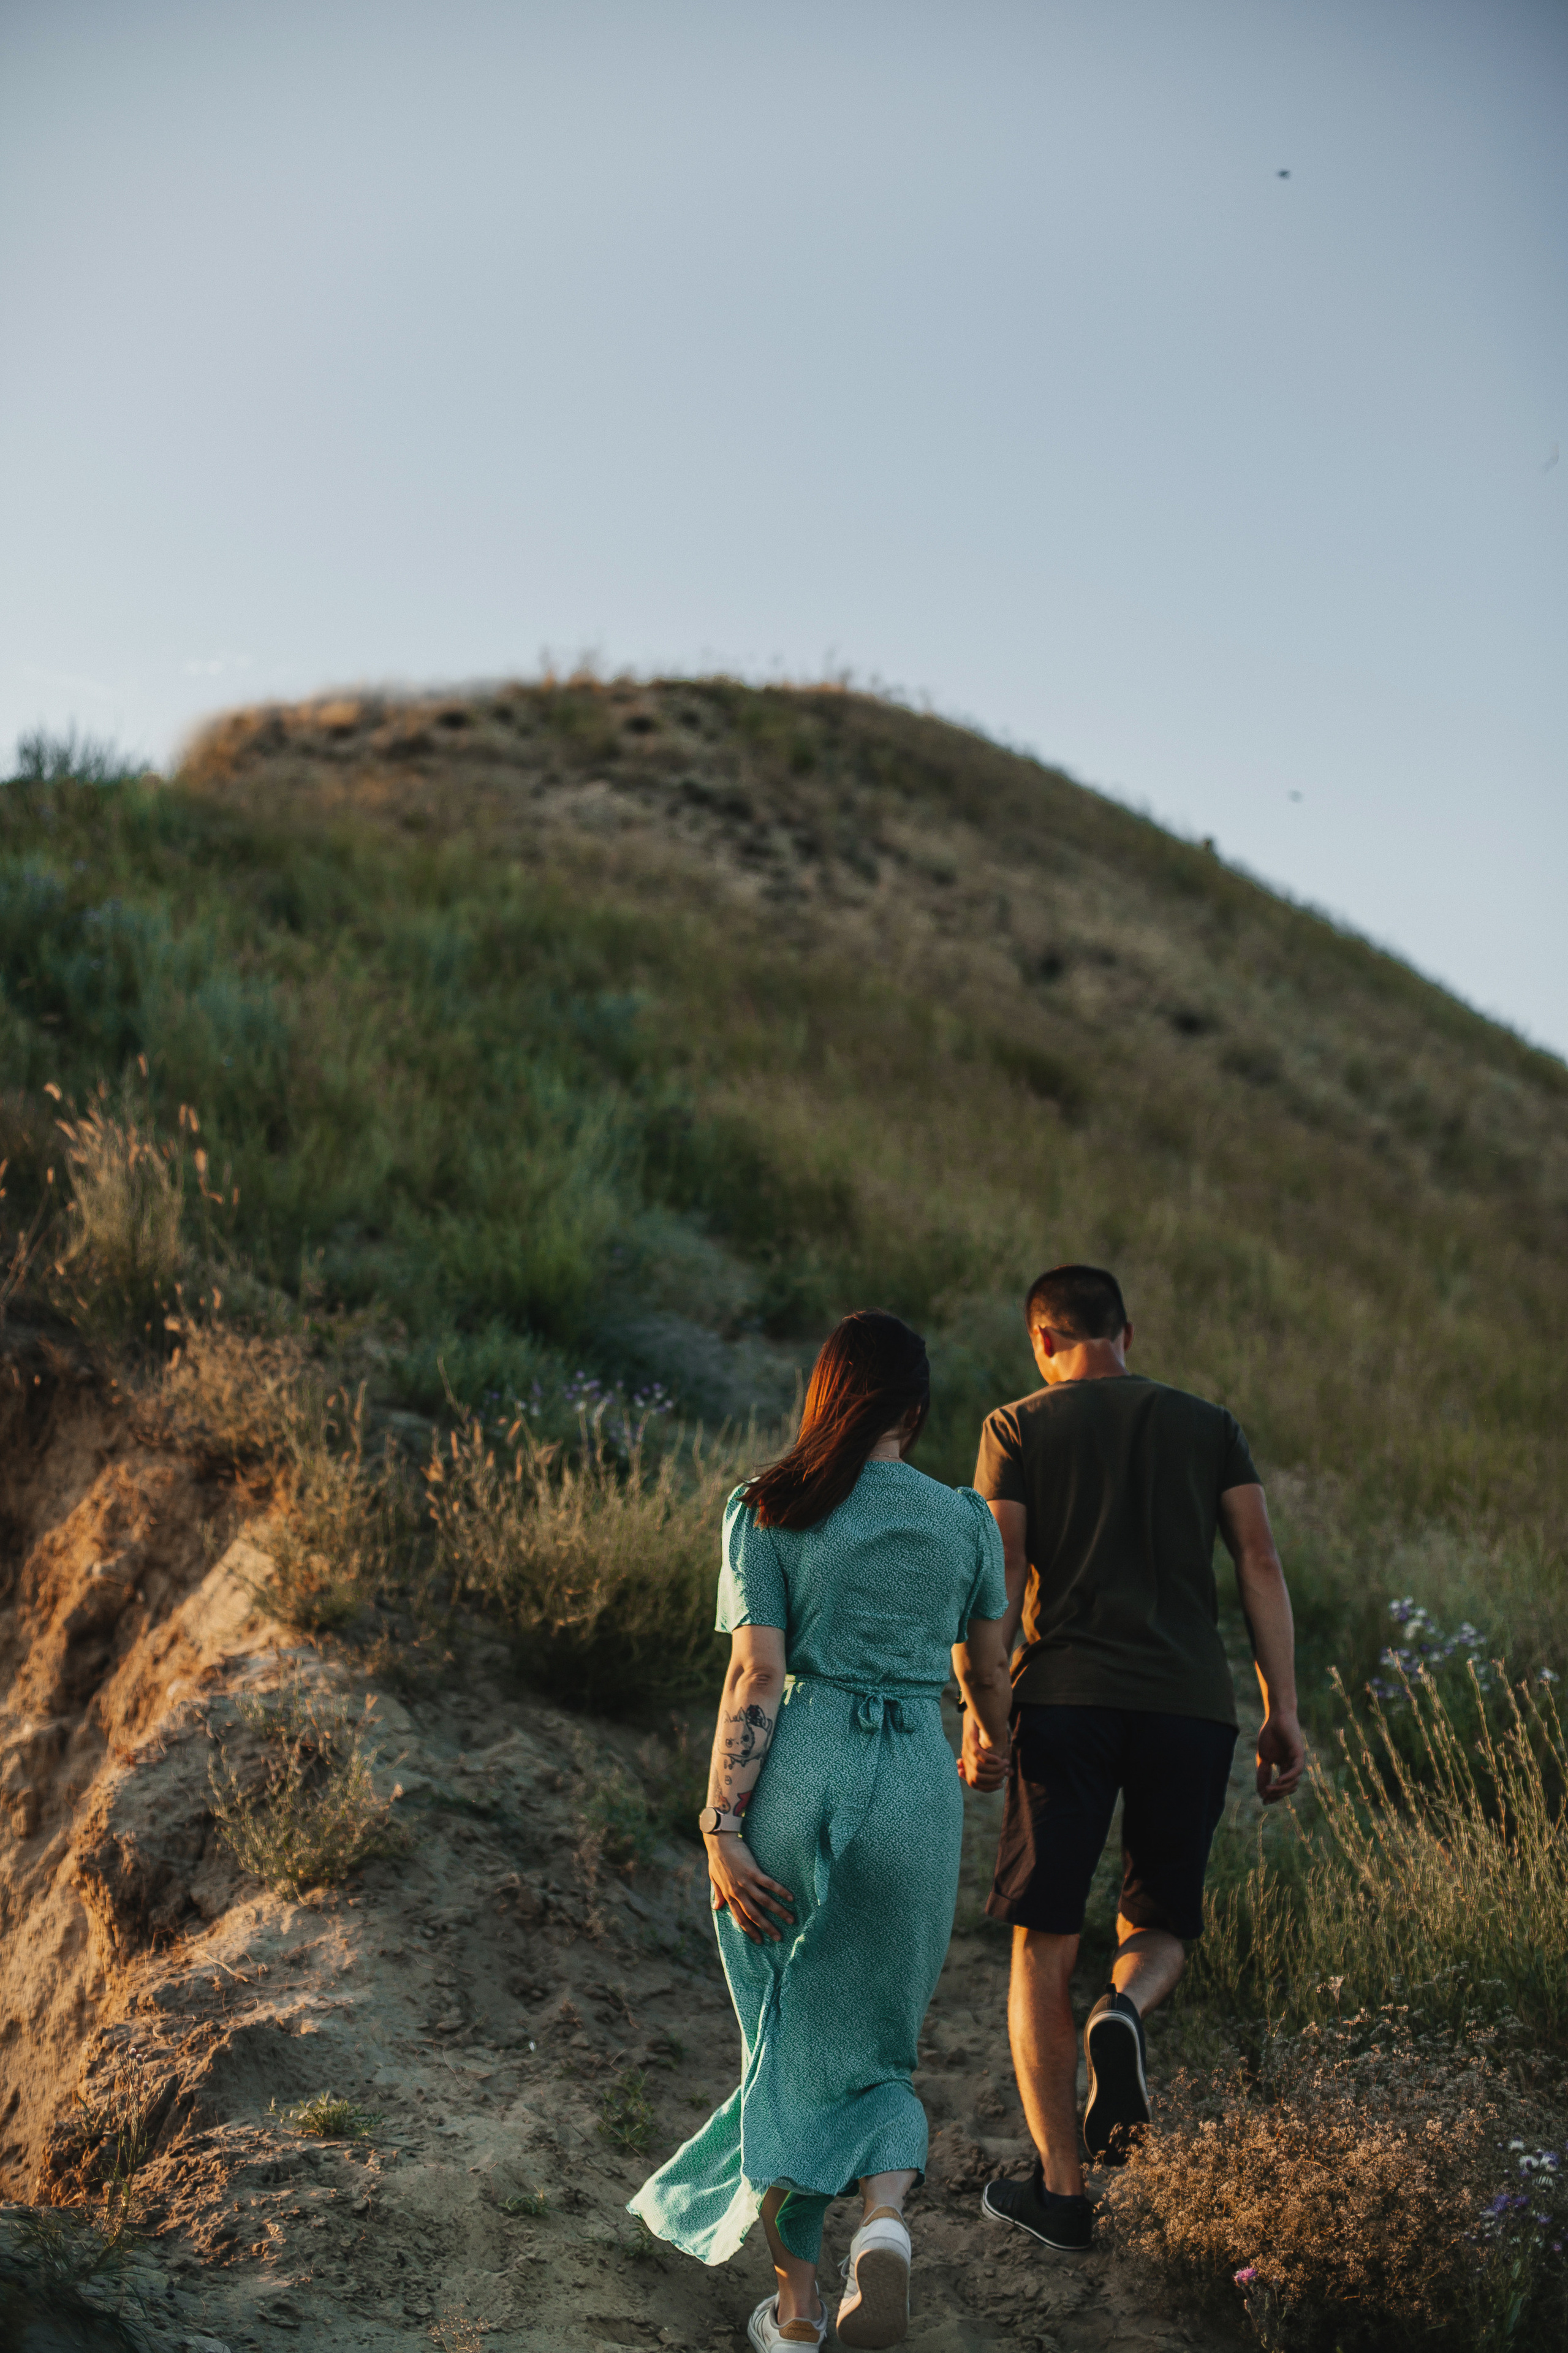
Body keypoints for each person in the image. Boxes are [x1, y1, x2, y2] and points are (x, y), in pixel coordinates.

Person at [630, 1310, 1015, 2352]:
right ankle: (884, 2231)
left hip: (803, 1776)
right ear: (917, 1411)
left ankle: (796, 2317)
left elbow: (757, 1674)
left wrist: (722, 1826)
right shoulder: (966, 1521)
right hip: (919, 1793)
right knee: (883, 2046)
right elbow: (985, 1672)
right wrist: (990, 1741)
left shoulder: (769, 1508)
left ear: (824, 1396)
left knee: (786, 2048)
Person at [964, 1264, 1305, 2255]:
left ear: (1042, 1340)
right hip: (1190, 1709)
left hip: (1064, 1704)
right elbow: (1258, 1560)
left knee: (1041, 1943)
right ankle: (1125, 2009)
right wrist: (1283, 1710)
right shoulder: (1209, 1424)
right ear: (1128, 1332)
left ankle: (1065, 2198)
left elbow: (1003, 1568)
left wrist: (983, 1712)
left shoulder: (1016, 1426)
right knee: (1157, 1920)